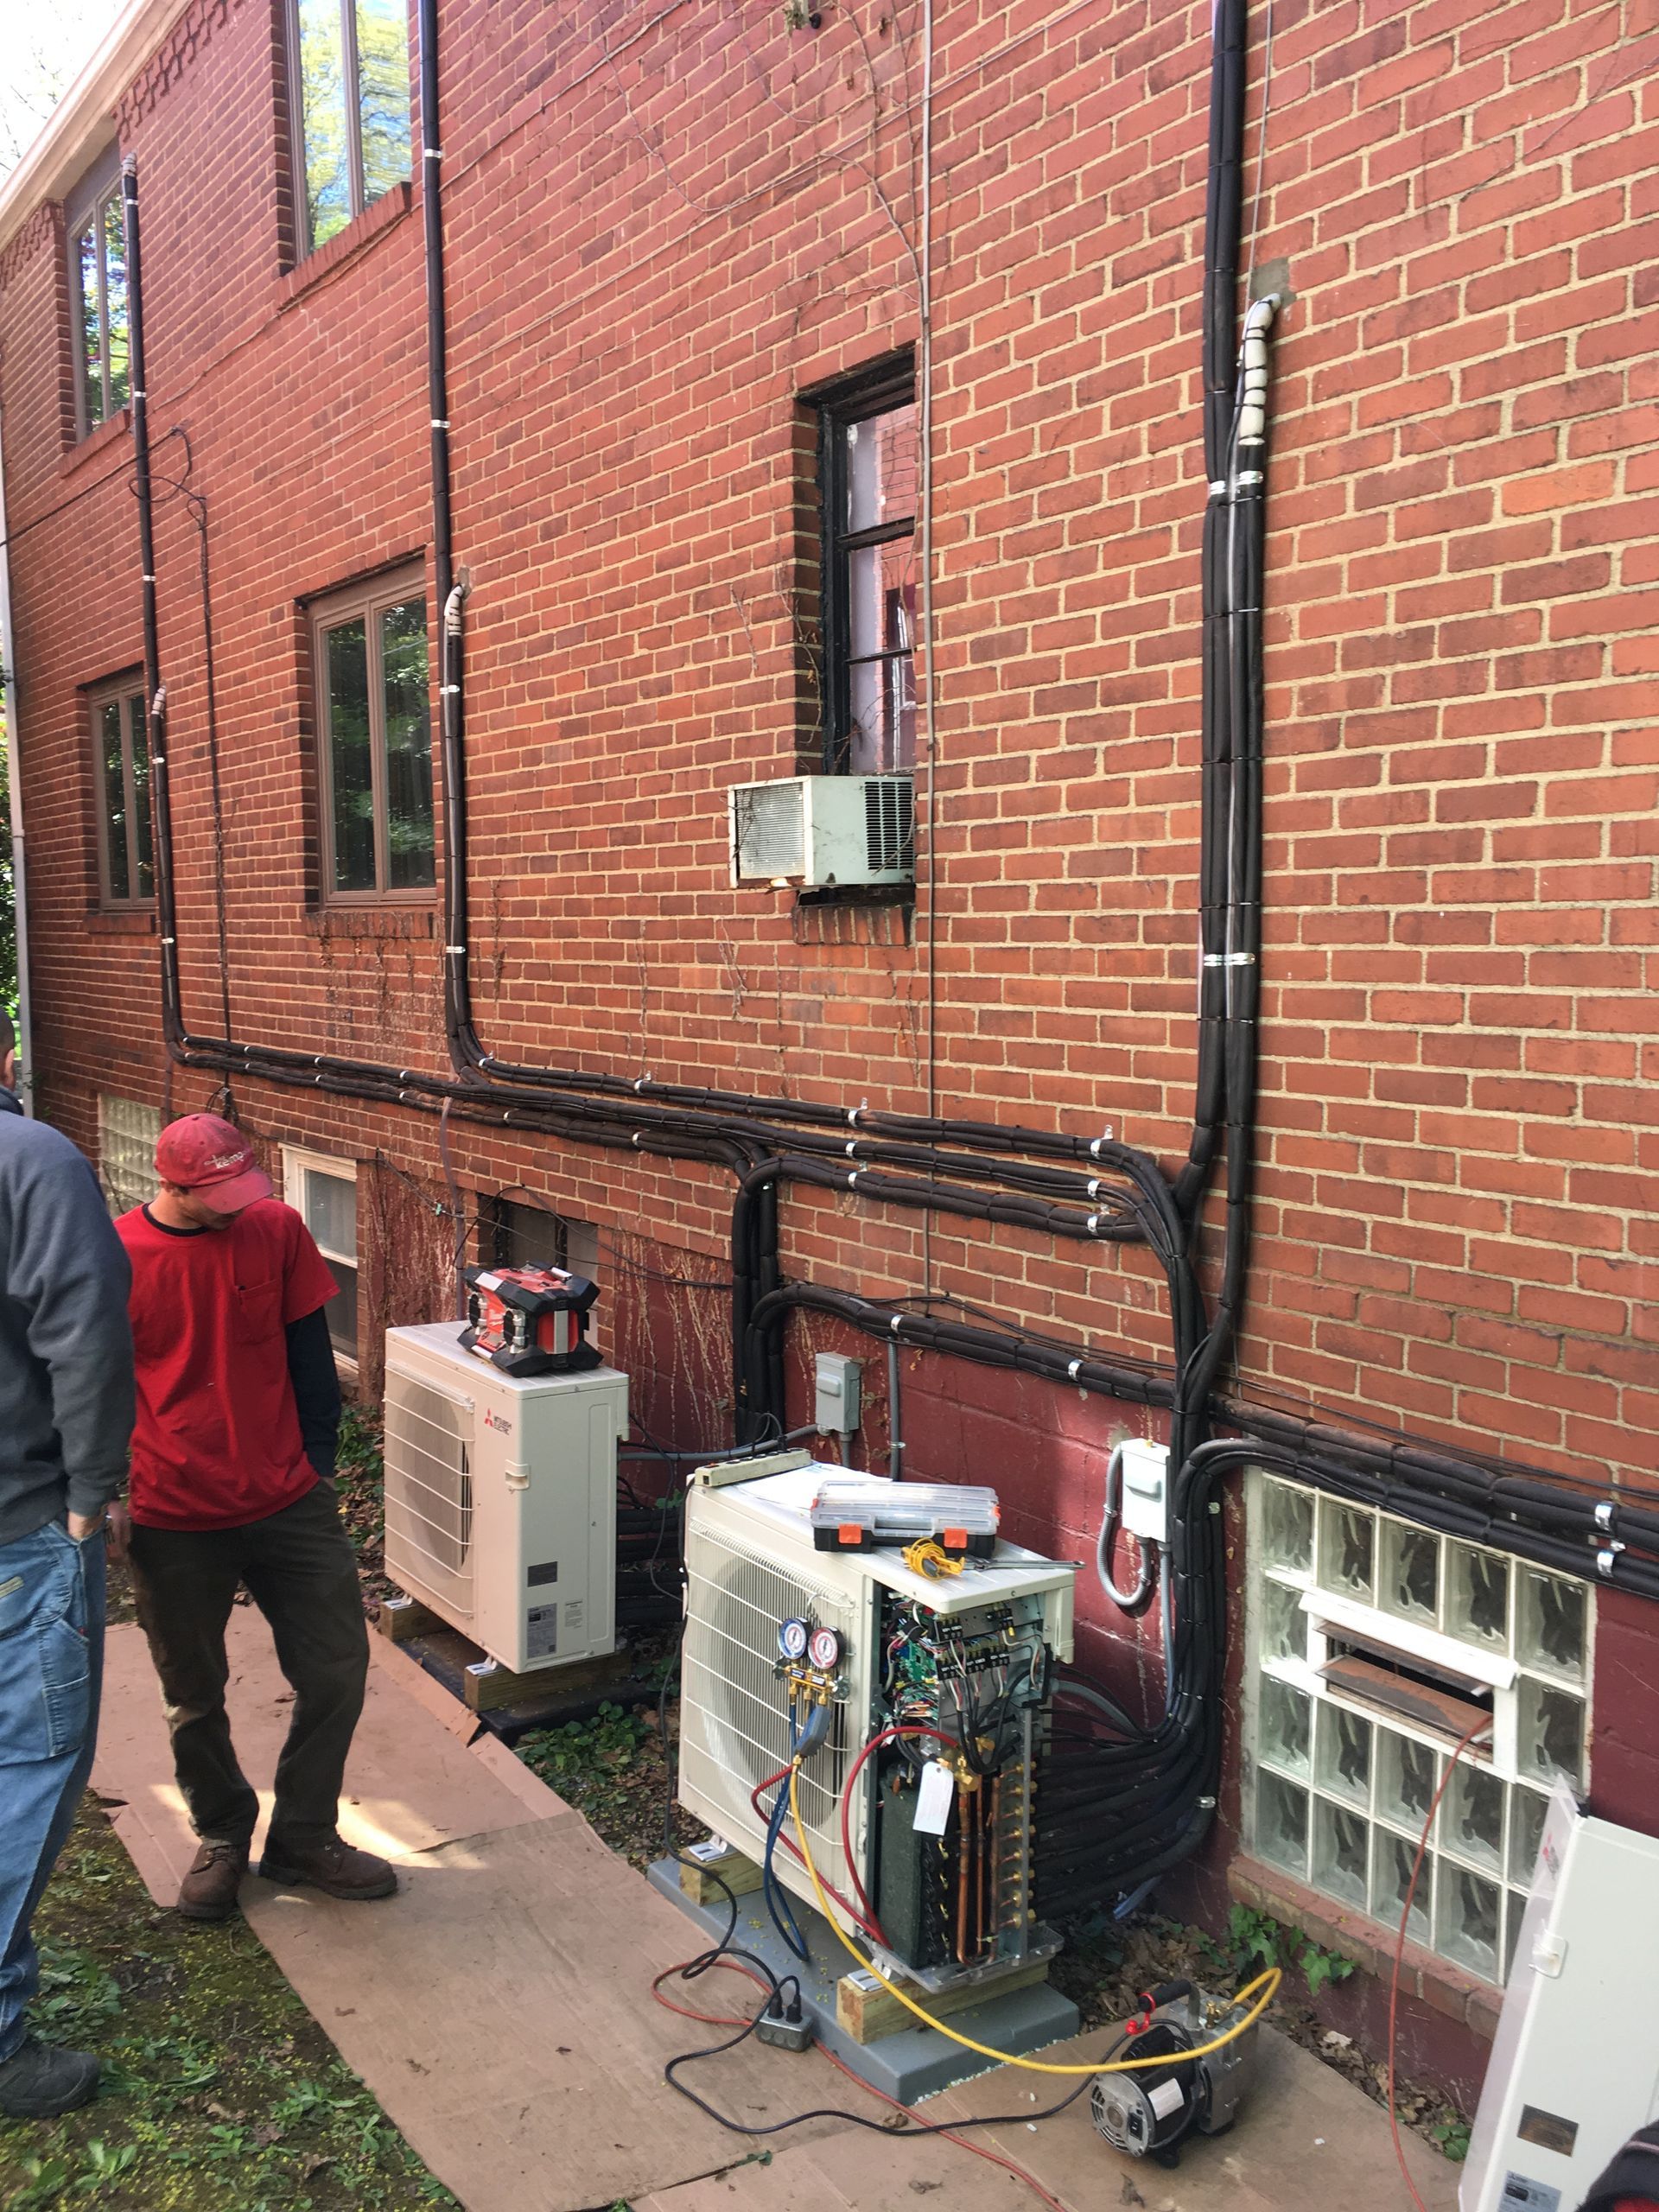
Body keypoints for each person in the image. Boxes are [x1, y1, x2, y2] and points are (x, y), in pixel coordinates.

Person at [117, 1112, 395, 1922]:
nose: (239, 1206)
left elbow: (311, 1354)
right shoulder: (117, 1256)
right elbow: (90, 1379)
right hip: (172, 1510)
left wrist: (317, 1461)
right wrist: (107, 1488)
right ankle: (222, 1832)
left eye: (246, 1187)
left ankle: (304, 1834)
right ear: (172, 1186)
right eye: (220, 1195)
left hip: (287, 1499)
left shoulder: (275, 1229)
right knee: (193, 1691)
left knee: (337, 1666)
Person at [0, 1017, 136, 2118]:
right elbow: (86, 1335)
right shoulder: (32, 1161)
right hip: (20, 1531)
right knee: (30, 1766)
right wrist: (93, 1494)